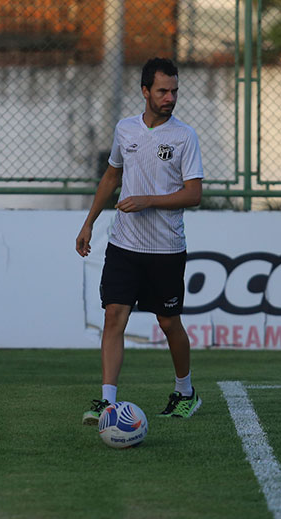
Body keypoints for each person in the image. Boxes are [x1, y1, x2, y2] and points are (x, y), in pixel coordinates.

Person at [75, 57, 204, 424]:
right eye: (162, 91)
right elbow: (111, 177)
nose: (170, 97)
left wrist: (149, 200)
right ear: (145, 91)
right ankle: (107, 400)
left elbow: (194, 194)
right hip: (123, 245)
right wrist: (88, 223)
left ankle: (185, 391)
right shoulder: (125, 130)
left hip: (165, 249)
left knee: (168, 323)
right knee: (114, 315)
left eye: (174, 91)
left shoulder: (184, 136)